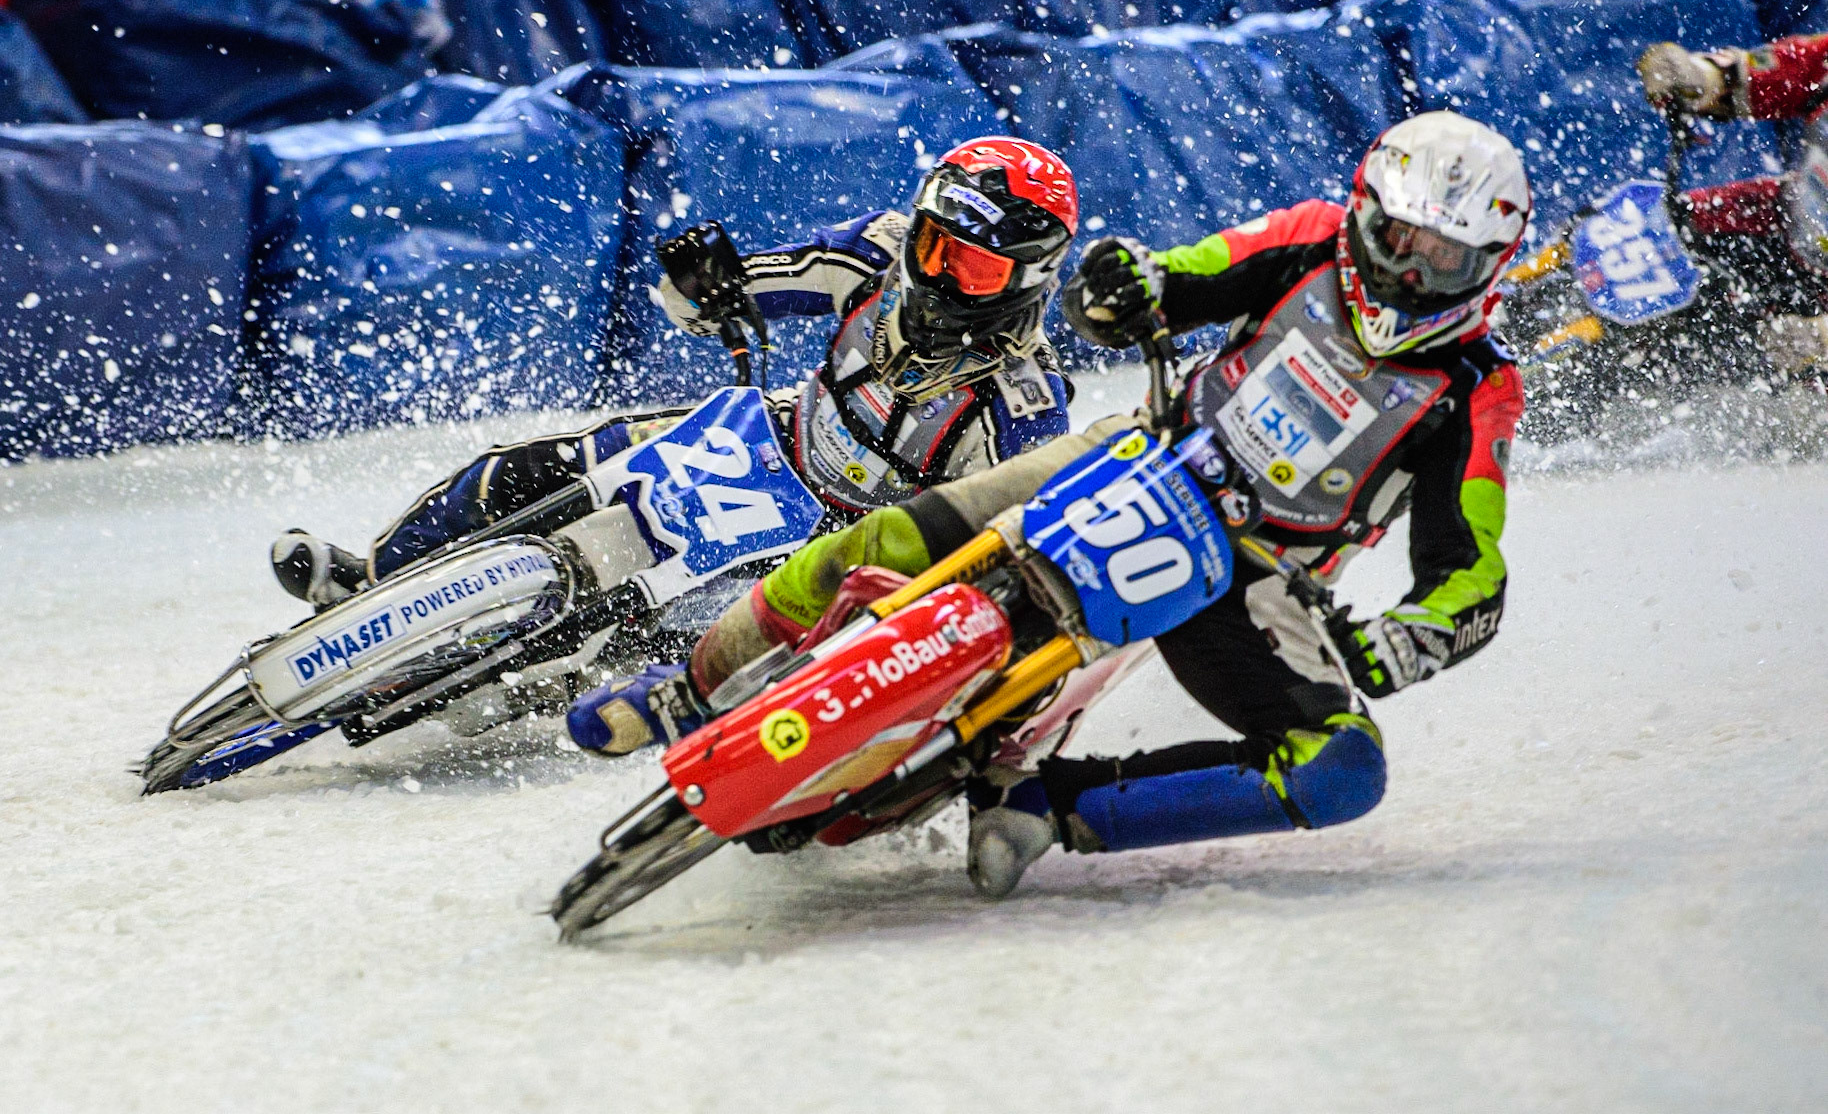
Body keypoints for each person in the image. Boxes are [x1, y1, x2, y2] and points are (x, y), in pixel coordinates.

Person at [646, 111, 1531, 898]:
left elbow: (1470, 573)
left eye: (1443, 257)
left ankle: (1046, 807)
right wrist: (1124, 286)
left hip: (1253, 573)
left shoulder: (1480, 390)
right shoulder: (1306, 238)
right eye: (1398, 239)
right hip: (1142, 451)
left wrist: (1397, 644)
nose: (1410, 273)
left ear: (1487, 266)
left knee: (1341, 771)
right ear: (1365, 210)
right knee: (888, 537)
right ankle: (690, 685)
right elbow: (1174, 276)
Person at [268, 137, 1083, 746]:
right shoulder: (876, 250)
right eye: (935, 246)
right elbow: (734, 291)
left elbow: (991, 547)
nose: (939, 277)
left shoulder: (1022, 403)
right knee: (532, 466)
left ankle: (538, 690)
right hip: (764, 436)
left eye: (973, 270)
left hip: (839, 540)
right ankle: (372, 578)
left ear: (1031, 276)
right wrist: (703, 284)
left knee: (676, 634)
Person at [1636, 34, 1828, 369]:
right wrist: (1700, 77)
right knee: (1661, 225)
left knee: (1773, 366)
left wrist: (1823, 336)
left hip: (1816, 308)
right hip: (1783, 217)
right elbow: (1789, 68)